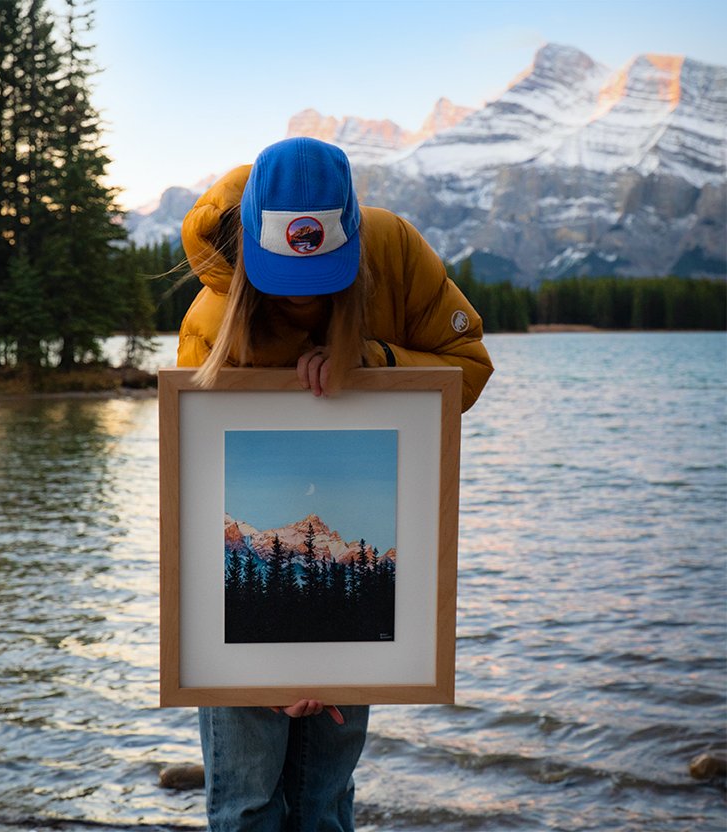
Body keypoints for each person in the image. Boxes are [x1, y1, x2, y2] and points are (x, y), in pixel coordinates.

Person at [177, 137, 493, 831]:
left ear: (351, 237)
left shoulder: (394, 253)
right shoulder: (211, 323)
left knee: (325, 806)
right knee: (248, 807)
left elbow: (468, 364)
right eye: (283, 274)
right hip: (236, 630)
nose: (301, 294)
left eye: (321, 275)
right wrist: (269, 671)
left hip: (355, 630)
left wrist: (376, 362)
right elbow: (198, 495)